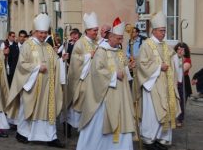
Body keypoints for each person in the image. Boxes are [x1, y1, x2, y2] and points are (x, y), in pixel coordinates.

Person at [6, 13, 68, 148]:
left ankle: (51, 137)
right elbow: (22, 64)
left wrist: (61, 60)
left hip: (48, 87)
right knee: (28, 108)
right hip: (32, 85)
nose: (43, 35)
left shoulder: (47, 46)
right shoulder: (28, 45)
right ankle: (22, 133)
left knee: (47, 110)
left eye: (45, 33)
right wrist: (37, 67)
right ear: (35, 31)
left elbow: (54, 62)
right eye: (40, 33)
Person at [76, 17, 135, 150]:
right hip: (104, 96)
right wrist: (114, 75)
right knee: (99, 123)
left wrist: (128, 67)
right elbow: (97, 71)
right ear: (111, 36)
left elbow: (122, 68)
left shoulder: (119, 52)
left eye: (122, 39)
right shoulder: (101, 51)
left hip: (119, 94)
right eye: (119, 38)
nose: (121, 41)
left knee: (121, 119)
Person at [137, 11, 181, 150]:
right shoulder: (146, 45)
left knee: (166, 110)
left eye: (165, 31)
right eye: (162, 31)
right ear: (154, 31)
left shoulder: (164, 45)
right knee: (153, 114)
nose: (164, 33)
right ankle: (149, 139)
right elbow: (142, 65)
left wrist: (178, 56)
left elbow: (172, 57)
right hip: (153, 86)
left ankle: (163, 139)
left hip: (166, 86)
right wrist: (158, 67)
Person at [66, 12, 99, 133]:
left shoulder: (96, 43)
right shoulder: (80, 43)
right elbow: (74, 59)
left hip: (94, 79)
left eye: (97, 30)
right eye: (95, 30)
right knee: (79, 103)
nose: (96, 32)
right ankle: (72, 126)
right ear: (88, 30)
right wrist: (88, 56)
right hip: (82, 79)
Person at [174, 42, 192, 127]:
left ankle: (180, 119)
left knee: (182, 101)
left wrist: (180, 58)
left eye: (182, 49)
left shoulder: (187, 60)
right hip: (175, 80)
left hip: (184, 81)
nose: (180, 50)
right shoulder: (173, 58)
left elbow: (181, 70)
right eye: (178, 49)